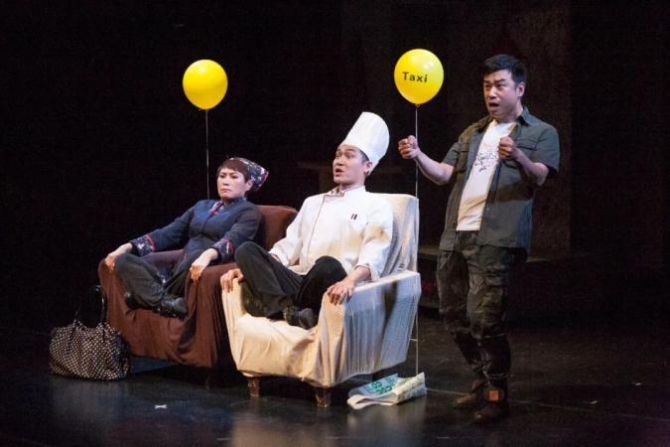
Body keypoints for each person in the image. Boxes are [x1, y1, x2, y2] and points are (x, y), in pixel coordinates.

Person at [398, 54, 560, 423]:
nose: (492, 93)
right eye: (487, 86)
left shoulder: (540, 132)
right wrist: (418, 155)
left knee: (485, 318)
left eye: (500, 85)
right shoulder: (473, 132)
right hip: (456, 235)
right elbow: (443, 174)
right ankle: (481, 378)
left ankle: (496, 392)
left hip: (496, 238)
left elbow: (540, 176)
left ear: (519, 89)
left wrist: (518, 156)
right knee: (452, 314)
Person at [221, 112, 393, 330]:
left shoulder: (377, 206)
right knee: (246, 250)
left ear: (367, 166)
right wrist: (252, 268)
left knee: (327, 264)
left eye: (349, 156)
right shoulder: (313, 202)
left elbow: (373, 255)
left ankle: (271, 305)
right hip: (299, 280)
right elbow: (288, 247)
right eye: (337, 155)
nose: (339, 161)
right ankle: (286, 309)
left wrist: (349, 281)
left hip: (332, 282)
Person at [104, 157, 268, 319]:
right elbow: (168, 233)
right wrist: (128, 246)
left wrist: (207, 255)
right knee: (123, 260)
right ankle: (165, 301)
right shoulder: (202, 206)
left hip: (202, 268)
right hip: (176, 274)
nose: (225, 181)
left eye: (233, 177)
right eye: (222, 176)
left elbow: (233, 240)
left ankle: (142, 296)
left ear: (248, 184)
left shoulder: (249, 212)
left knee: (197, 253)